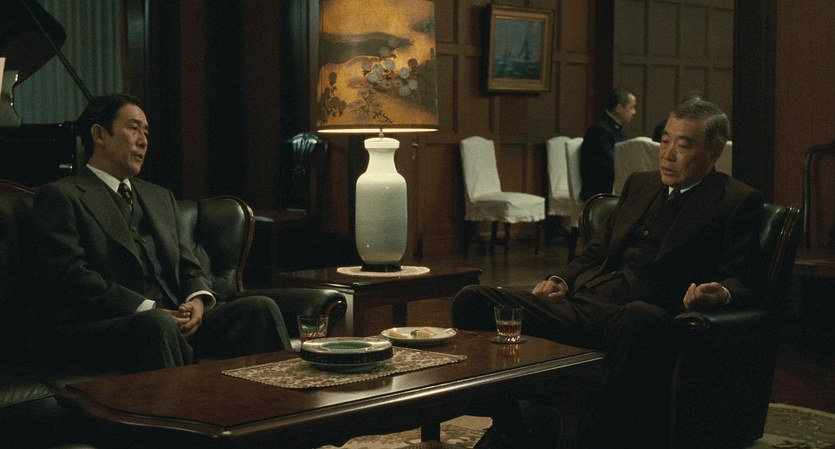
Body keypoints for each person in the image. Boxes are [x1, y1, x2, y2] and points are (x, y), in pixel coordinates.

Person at [453, 100, 767, 449]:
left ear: (714, 151)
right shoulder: (640, 185)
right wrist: (561, 279)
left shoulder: (736, 201)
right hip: (581, 305)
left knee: (637, 317)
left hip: (643, 317)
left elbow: (745, 279)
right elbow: (594, 253)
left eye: (683, 145)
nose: (668, 155)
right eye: (665, 141)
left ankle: (593, 436)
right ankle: (511, 426)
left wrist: (719, 293)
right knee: (473, 300)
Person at [31, 93, 293, 373]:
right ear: (99, 135)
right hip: (112, 326)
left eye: (146, 132)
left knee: (259, 309)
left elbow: (189, 264)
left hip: (174, 321)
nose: (143, 141)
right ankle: (183, 402)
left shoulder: (159, 197)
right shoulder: (61, 196)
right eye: (133, 129)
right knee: (158, 324)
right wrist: (147, 308)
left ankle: (292, 397)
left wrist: (198, 301)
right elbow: (72, 277)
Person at [579, 87, 637, 200]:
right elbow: (609, 164)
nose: (634, 112)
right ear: (619, 108)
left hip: (613, 184)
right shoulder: (599, 131)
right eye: (631, 107)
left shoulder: (618, 129)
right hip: (600, 191)